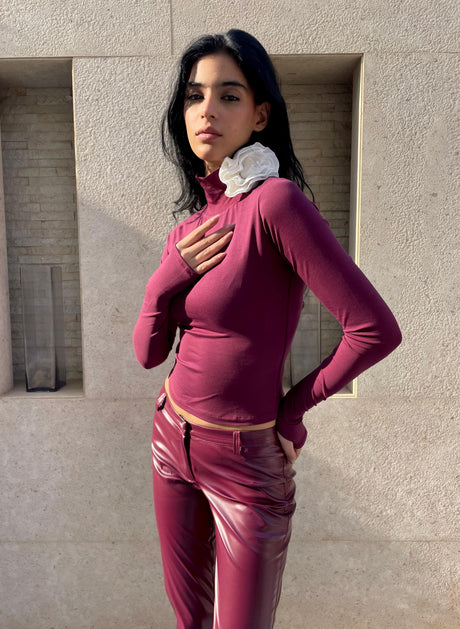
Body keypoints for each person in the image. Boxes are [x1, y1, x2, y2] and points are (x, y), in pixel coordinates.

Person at [133, 28, 402, 629]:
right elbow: (148, 353)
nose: (207, 110)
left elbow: (374, 330)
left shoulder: (275, 204)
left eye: (228, 95)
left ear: (259, 115)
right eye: (194, 96)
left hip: (245, 460)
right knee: (189, 621)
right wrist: (162, 282)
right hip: (170, 437)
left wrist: (292, 411)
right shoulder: (189, 231)